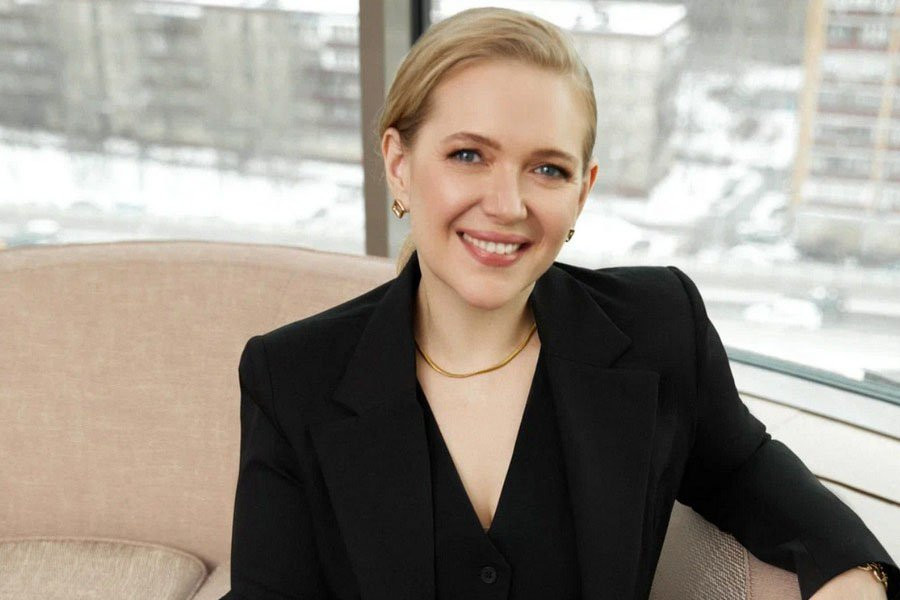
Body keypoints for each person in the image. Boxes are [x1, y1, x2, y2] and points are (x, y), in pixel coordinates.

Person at [220, 7, 897, 600]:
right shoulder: (292, 376)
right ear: (399, 164)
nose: (507, 205)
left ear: (583, 191)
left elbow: (742, 469)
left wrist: (856, 571)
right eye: (468, 155)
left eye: (548, 169)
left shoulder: (660, 324)